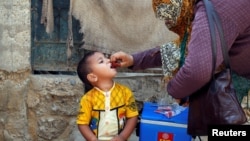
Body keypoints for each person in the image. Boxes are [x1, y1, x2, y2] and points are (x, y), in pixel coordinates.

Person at [110, 0, 250, 100]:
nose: (168, 23)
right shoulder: (203, 9)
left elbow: (197, 71)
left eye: (169, 16)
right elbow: (186, 48)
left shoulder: (214, 8)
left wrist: (175, 91)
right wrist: (134, 59)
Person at [76, 51, 139, 141]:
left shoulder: (125, 92)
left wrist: (122, 137)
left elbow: (133, 116)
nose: (109, 60)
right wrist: (92, 139)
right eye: (101, 61)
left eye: (106, 57)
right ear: (93, 77)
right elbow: (82, 123)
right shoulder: (87, 99)